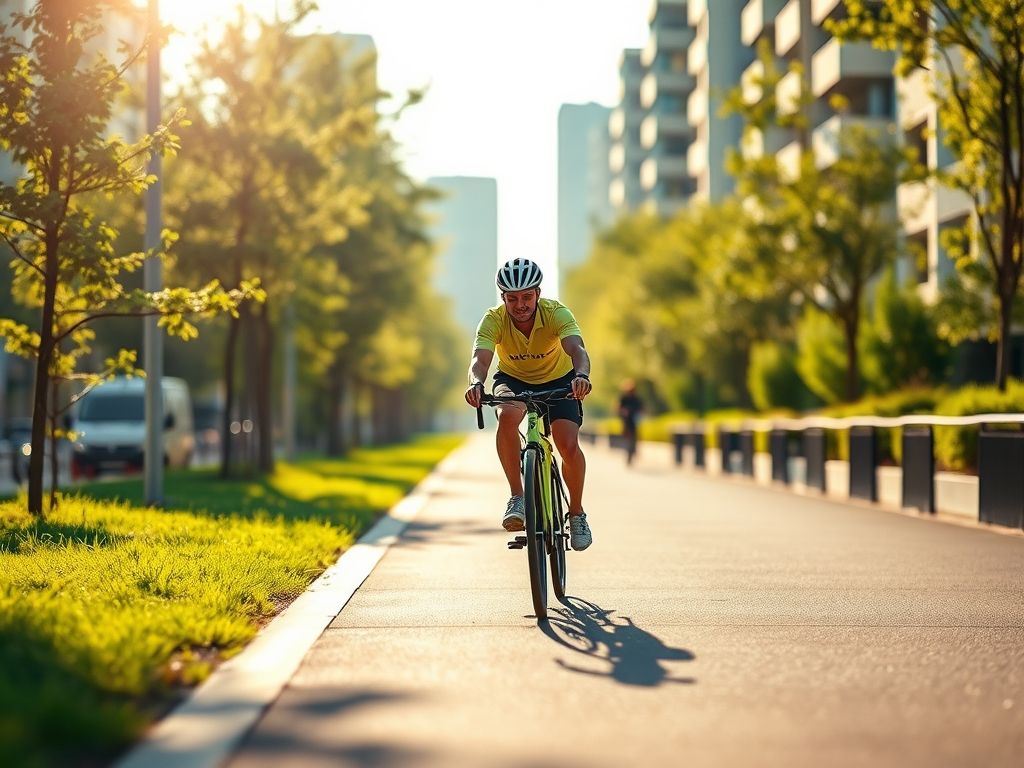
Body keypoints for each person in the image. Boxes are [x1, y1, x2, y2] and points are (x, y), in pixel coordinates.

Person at [464, 258, 594, 551]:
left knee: (567, 445)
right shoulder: (493, 320)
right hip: (514, 380)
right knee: (508, 416)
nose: (520, 304)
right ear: (503, 298)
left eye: (526, 297)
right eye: (512, 299)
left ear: (537, 293)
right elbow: (480, 360)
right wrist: (475, 383)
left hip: (560, 381)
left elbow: (577, 348)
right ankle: (518, 497)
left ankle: (576, 513)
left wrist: (582, 376)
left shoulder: (556, 313)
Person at [618, 379, 644, 466]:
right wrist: (624, 412)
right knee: (628, 439)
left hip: (634, 422)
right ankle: (629, 454)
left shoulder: (637, 399)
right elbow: (619, 409)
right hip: (626, 422)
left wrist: (639, 414)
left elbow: (641, 409)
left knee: (634, 439)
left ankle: (632, 453)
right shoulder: (624, 398)